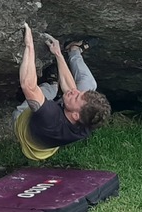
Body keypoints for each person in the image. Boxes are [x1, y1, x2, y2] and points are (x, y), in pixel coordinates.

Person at [13, 22, 111, 161]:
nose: (75, 92)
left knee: (50, 92)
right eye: (80, 94)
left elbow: (28, 85)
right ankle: (73, 50)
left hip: (25, 128)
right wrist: (58, 54)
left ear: (76, 115)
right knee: (90, 84)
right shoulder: (88, 121)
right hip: (49, 137)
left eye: (76, 97)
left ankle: (53, 84)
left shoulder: (50, 116)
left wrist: (29, 44)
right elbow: (72, 89)